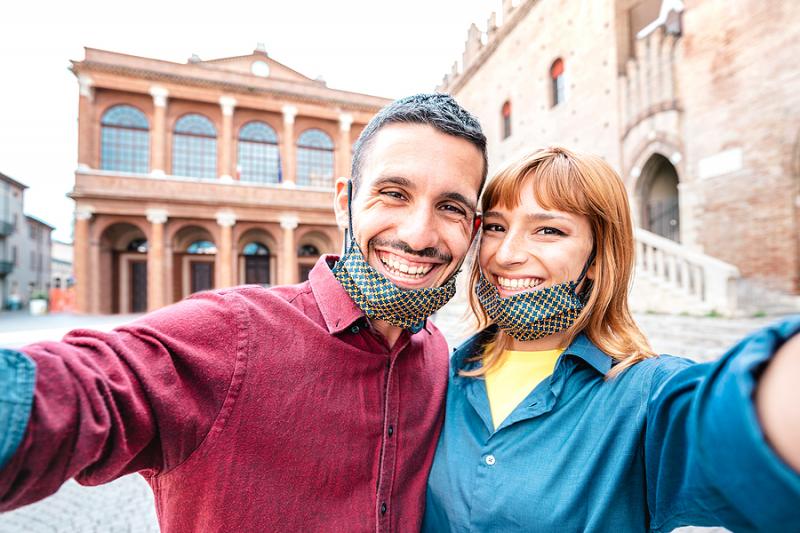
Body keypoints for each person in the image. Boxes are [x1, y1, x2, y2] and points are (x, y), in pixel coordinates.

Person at [0, 93, 487, 532]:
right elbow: (84, 389)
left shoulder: (438, 358)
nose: (420, 235)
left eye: (450, 207)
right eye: (394, 194)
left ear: (474, 228)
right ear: (345, 202)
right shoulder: (230, 333)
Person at [423, 147, 800, 532]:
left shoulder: (645, 395)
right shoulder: (440, 375)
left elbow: (732, 422)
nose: (506, 254)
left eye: (548, 230)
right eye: (496, 227)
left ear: (599, 257)